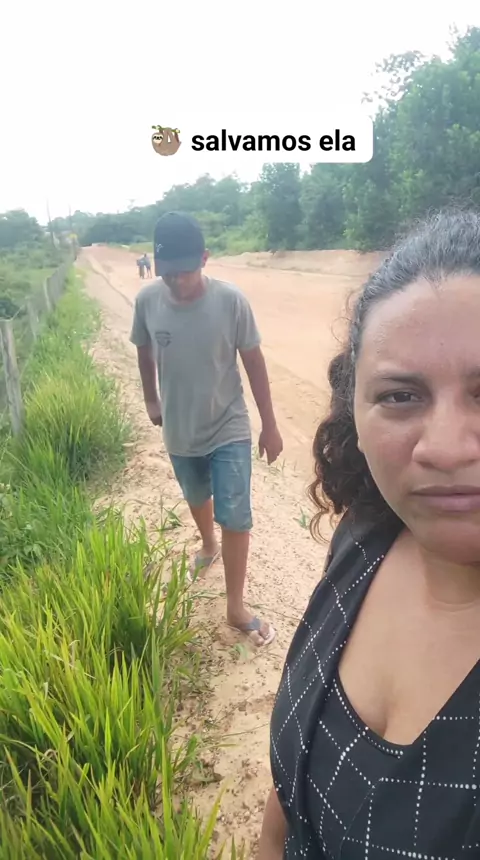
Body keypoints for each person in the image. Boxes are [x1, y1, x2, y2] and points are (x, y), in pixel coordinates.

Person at [259, 209, 480, 857]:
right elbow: (287, 798)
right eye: (400, 396)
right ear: (352, 410)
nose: (444, 448)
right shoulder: (366, 537)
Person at [129, 211, 283, 647]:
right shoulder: (148, 301)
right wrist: (151, 398)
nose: (176, 282)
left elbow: (254, 362)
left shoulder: (230, 301)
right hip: (180, 427)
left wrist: (269, 425)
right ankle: (208, 544)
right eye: (168, 273)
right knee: (197, 497)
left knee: (235, 511)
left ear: (205, 258)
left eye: (185, 271)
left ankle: (235, 606)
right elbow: (143, 349)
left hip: (228, 423)